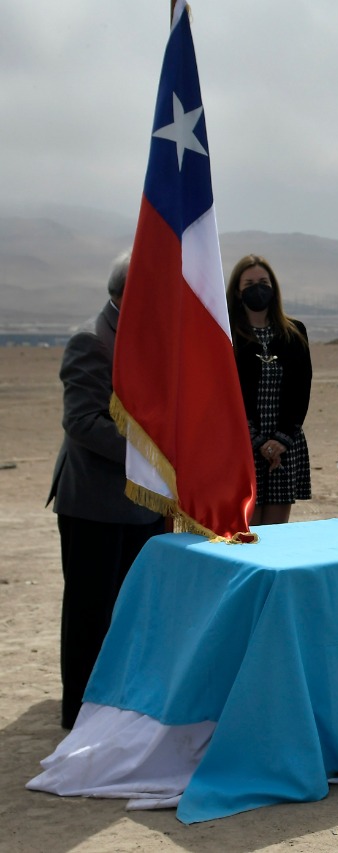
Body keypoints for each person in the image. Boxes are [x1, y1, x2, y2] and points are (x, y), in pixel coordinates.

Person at [47, 251, 166, 729]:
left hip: (143, 504)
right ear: (125, 292)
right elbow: (82, 422)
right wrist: (153, 457)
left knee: (132, 609)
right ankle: (78, 711)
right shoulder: (91, 340)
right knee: (90, 612)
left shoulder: (150, 339)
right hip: (95, 503)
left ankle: (119, 702)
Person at [226, 254, 313, 525]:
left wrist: (280, 440)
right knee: (245, 531)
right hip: (241, 444)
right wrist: (256, 440)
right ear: (237, 291)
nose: (258, 289)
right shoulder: (227, 334)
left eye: (263, 282)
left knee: (276, 534)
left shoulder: (294, 332)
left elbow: (301, 389)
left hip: (284, 442)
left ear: (273, 287)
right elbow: (227, 395)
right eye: (249, 284)